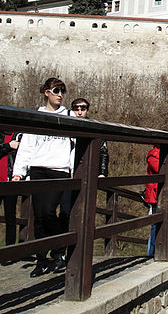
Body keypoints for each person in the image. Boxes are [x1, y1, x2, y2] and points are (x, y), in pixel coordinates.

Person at [12, 78, 75, 277]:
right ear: (46, 92)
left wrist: (71, 167)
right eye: (56, 90)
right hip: (38, 168)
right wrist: (18, 171)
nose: (60, 94)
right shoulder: (36, 115)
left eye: (62, 91)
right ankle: (41, 259)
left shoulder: (69, 115)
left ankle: (58, 250)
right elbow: (27, 145)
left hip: (59, 169)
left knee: (48, 211)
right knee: (38, 216)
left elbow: (76, 145)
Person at [56, 97, 109, 270]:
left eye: (83, 108)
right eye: (76, 108)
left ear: (88, 110)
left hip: (85, 178)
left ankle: (78, 254)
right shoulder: (65, 125)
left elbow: (103, 150)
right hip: (66, 175)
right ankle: (60, 252)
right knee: (64, 213)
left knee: (83, 215)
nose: (79, 111)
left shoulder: (93, 126)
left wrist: (102, 172)